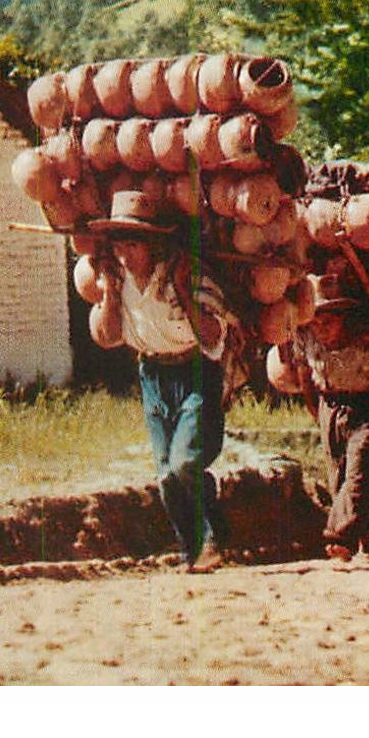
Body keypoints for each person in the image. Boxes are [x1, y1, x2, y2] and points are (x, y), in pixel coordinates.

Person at [94, 191, 243, 573]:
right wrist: (110, 292)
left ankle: (208, 542)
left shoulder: (186, 273)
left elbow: (212, 335)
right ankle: (191, 550)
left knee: (183, 464)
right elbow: (109, 338)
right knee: (166, 476)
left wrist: (181, 288)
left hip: (194, 373)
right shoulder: (116, 281)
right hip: (153, 377)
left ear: (153, 243)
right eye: (119, 245)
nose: (126, 255)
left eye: (133, 244)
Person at [281, 272, 369, 562]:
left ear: (345, 316)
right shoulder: (305, 336)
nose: (321, 327)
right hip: (330, 407)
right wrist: (317, 411)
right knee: (339, 477)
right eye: (316, 320)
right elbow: (304, 376)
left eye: (329, 320)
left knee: (359, 470)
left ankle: (339, 537)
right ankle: (364, 537)